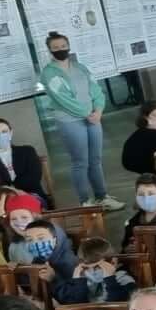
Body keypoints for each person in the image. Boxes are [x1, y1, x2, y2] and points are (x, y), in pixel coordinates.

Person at [36, 32, 122, 211]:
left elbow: (96, 90)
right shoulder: (49, 73)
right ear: (50, 50)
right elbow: (63, 99)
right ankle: (85, 201)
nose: (60, 50)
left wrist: (98, 110)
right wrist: (87, 113)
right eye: (56, 47)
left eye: (63, 46)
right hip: (70, 121)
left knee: (96, 159)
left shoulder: (80, 67)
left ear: (68, 46)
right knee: (80, 161)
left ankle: (102, 196)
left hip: (93, 117)